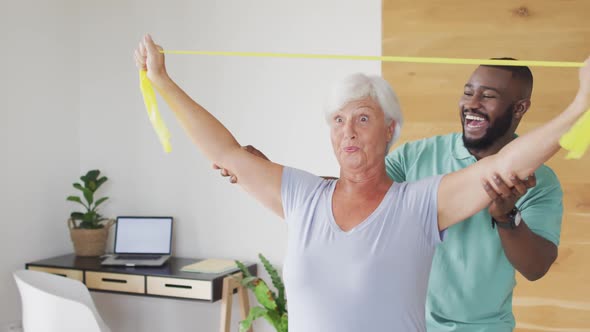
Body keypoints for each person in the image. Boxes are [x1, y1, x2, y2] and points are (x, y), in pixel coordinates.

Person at [134, 34, 590, 332]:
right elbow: (225, 153)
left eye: (363, 118)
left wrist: (579, 107)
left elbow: (502, 168)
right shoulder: (305, 195)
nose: (347, 130)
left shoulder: (418, 202)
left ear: (390, 130)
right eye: (337, 120)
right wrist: (162, 79)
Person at [219, 60, 563, 331]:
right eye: (468, 91)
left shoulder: (538, 180)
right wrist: (272, 180)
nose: (471, 103)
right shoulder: (418, 156)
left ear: (519, 108)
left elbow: (536, 267)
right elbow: (360, 189)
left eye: (487, 95)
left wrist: (507, 217)